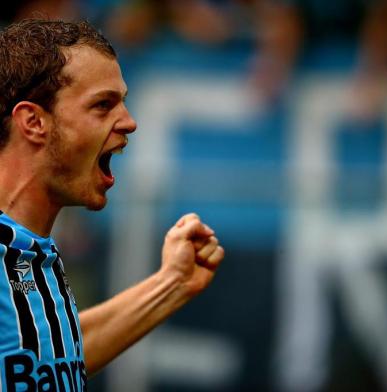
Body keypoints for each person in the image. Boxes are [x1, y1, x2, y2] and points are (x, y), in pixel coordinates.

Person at [0, 18, 224, 391]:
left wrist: (171, 284)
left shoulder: (31, 254)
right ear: (34, 122)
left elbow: (48, 356)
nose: (130, 122)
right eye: (103, 105)